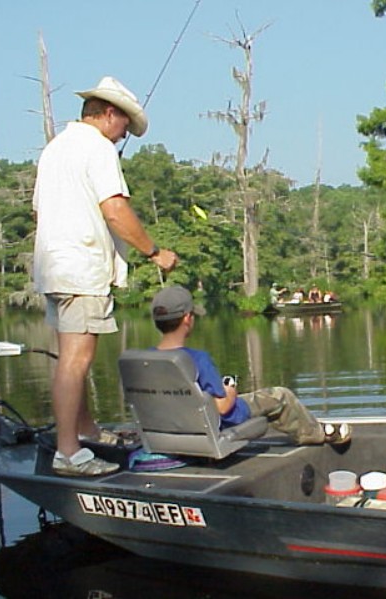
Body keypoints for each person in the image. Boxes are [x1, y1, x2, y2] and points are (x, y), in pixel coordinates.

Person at [34, 76, 178, 477]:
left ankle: (85, 431)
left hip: (54, 267)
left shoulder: (55, 148)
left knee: (70, 358)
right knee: (77, 361)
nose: (124, 135)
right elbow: (115, 209)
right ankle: (69, 453)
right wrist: (154, 252)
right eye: (125, 125)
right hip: (81, 268)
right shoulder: (96, 147)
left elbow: (40, 211)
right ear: (109, 113)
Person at [151, 285, 351, 445]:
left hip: (176, 423)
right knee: (280, 396)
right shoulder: (197, 359)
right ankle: (317, 434)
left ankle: (313, 427)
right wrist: (230, 390)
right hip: (217, 421)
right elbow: (222, 407)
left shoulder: (146, 359)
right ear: (187, 319)